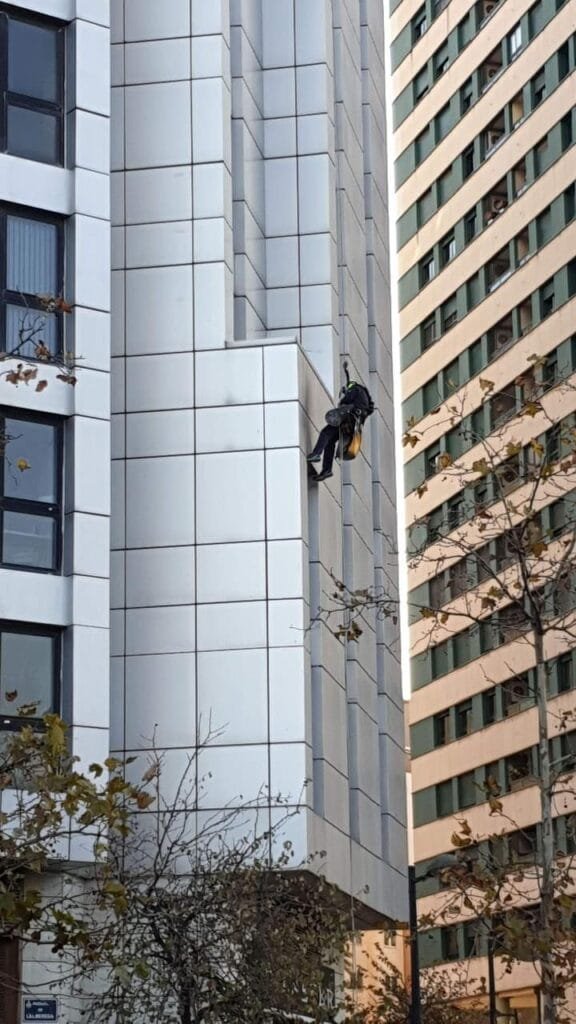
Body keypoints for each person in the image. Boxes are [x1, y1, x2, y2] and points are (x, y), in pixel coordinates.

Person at [307, 370, 374, 481]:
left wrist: (344, 397)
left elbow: (344, 401)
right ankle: (327, 470)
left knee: (326, 432)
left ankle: (316, 454)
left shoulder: (356, 389)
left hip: (347, 419)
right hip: (352, 425)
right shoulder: (364, 401)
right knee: (330, 442)